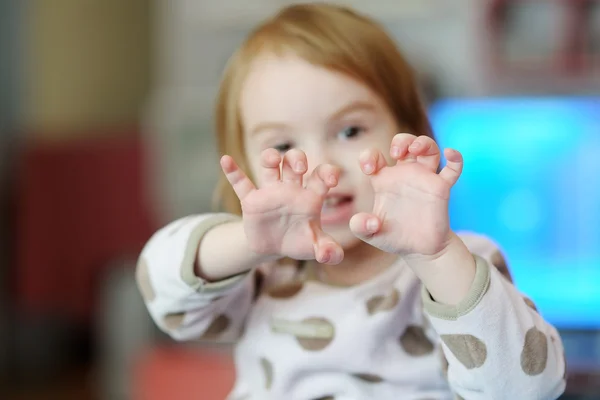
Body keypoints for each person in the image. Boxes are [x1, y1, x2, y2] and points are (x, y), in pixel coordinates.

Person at [135, 3, 566, 399]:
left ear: (410, 132)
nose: (322, 165)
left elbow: (529, 389)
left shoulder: (460, 267)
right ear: (246, 170)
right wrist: (247, 241)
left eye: (349, 131)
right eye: (283, 145)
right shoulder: (260, 273)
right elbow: (162, 294)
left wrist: (436, 256)